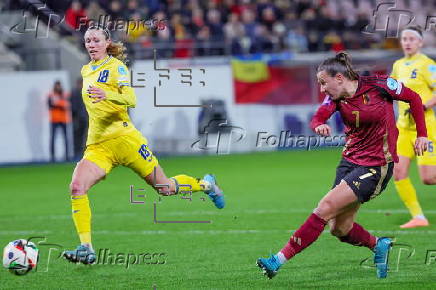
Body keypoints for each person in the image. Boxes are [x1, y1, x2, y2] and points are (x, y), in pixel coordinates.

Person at [257, 52, 428, 279]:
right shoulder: (336, 99)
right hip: (348, 163)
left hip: (376, 167)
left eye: (323, 83)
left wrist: (421, 135)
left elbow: (414, 98)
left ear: (339, 78)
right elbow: (320, 115)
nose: (322, 89)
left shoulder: (380, 85)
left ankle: (276, 260)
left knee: (325, 207)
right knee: (339, 229)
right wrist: (318, 124)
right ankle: (378, 245)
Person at [63, 25, 225, 264]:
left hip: (127, 141)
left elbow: (131, 98)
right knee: (77, 187)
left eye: (96, 40)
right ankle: (86, 248)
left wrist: (108, 95)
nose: (91, 44)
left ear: (107, 43)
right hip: (98, 146)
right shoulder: (86, 70)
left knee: (165, 188)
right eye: (88, 40)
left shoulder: (116, 67)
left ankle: (206, 184)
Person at [391, 25, 436, 228]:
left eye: (411, 39)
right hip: (403, 129)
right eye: (404, 39)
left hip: (424, 128)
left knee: (428, 178)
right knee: (398, 173)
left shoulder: (427, 64)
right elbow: (390, 88)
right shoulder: (398, 65)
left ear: (420, 42)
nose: (407, 42)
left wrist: (424, 105)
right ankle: (418, 216)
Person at [48, 80, 71, 162]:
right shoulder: (51, 95)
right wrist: (61, 104)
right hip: (54, 119)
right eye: (57, 85)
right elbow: (50, 105)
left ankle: (67, 156)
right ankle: (52, 156)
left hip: (63, 119)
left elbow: (67, 105)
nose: (58, 87)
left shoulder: (65, 94)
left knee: (66, 138)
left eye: (59, 85)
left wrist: (57, 104)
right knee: (53, 138)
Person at [70, 77, 88, 160]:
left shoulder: (85, 92)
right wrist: (74, 117)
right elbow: (73, 107)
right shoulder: (75, 93)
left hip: (84, 118)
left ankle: (81, 153)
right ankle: (77, 153)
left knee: (84, 137)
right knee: (77, 137)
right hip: (77, 118)